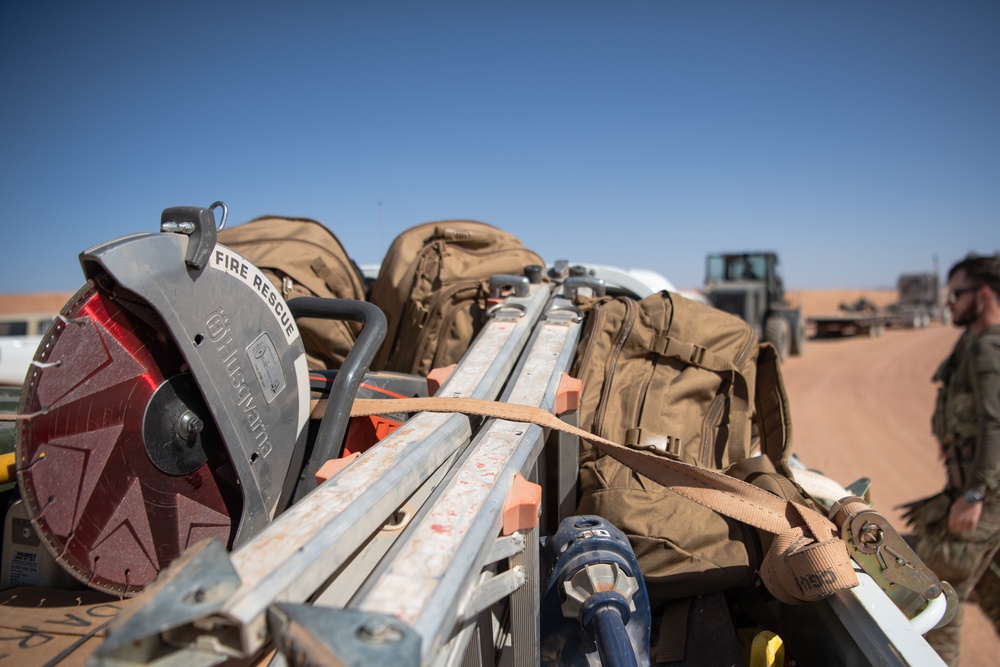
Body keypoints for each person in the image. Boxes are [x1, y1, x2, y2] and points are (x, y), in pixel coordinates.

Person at [908, 252, 1000, 665]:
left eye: (956, 295)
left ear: (983, 295)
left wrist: (975, 494)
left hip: (987, 498)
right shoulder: (971, 344)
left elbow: (995, 426)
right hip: (975, 490)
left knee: (936, 593)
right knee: (992, 588)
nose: (949, 303)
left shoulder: (989, 349)